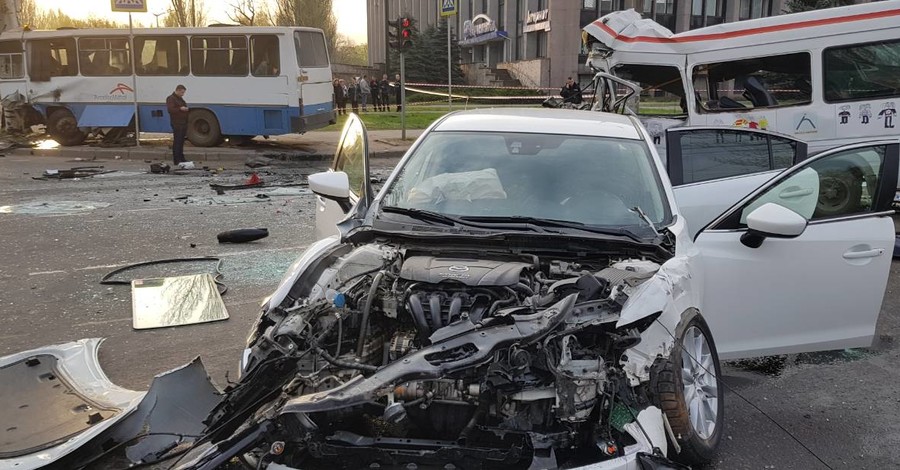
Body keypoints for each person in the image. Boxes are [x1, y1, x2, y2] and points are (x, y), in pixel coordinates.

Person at [166, 84, 191, 167]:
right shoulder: (171, 98)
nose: (183, 94)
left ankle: (181, 157)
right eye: (182, 92)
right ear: (178, 90)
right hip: (177, 123)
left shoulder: (180, 98)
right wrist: (180, 109)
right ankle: (177, 159)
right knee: (177, 141)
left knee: (181, 141)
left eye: (184, 92)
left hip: (183, 122)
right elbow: (170, 109)